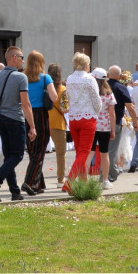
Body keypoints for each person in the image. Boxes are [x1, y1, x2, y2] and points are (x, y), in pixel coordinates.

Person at [0, 46, 37, 201]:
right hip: (15, 119)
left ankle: (15, 191)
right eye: (21, 57)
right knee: (18, 155)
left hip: (1, 119)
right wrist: (32, 126)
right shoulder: (21, 77)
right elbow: (26, 103)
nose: (23, 60)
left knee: (9, 156)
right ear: (14, 58)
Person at [63, 52, 101, 193]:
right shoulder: (90, 79)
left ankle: (84, 183)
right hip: (88, 118)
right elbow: (96, 100)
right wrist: (97, 112)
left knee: (80, 152)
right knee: (84, 152)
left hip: (74, 118)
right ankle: (70, 181)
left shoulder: (70, 78)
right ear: (86, 65)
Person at [21, 51, 56, 194]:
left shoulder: (23, 77)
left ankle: (38, 183)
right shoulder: (45, 78)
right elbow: (53, 97)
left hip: (26, 113)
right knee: (40, 150)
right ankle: (29, 182)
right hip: (40, 114)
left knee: (32, 150)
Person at [106, 66, 136, 182]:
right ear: (119, 76)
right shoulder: (121, 88)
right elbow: (130, 107)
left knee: (104, 150)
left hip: (101, 122)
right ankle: (112, 173)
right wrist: (136, 122)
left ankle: (106, 174)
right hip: (116, 121)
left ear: (108, 75)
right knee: (112, 151)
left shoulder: (103, 86)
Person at [91, 69, 116, 184]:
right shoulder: (109, 93)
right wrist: (113, 130)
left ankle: (83, 178)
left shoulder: (91, 92)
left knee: (89, 152)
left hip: (91, 125)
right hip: (104, 127)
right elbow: (112, 113)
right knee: (104, 153)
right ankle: (105, 179)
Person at [46, 63, 68, 188]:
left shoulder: (44, 87)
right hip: (58, 122)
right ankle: (60, 179)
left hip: (44, 120)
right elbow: (65, 108)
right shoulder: (63, 90)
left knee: (38, 152)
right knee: (61, 153)